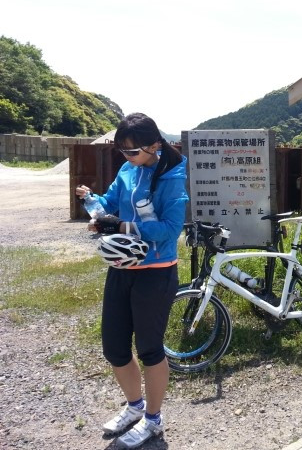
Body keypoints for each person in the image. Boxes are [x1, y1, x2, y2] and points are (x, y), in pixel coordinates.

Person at [75, 112, 188, 448]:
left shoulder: (172, 176)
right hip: (121, 268)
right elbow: (109, 203)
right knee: (114, 347)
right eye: (122, 151)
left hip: (156, 271)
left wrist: (123, 225)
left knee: (150, 349)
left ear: (154, 145)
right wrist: (93, 203)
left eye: (132, 151)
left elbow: (170, 229)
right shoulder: (128, 169)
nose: (127, 157)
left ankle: (153, 420)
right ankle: (135, 406)